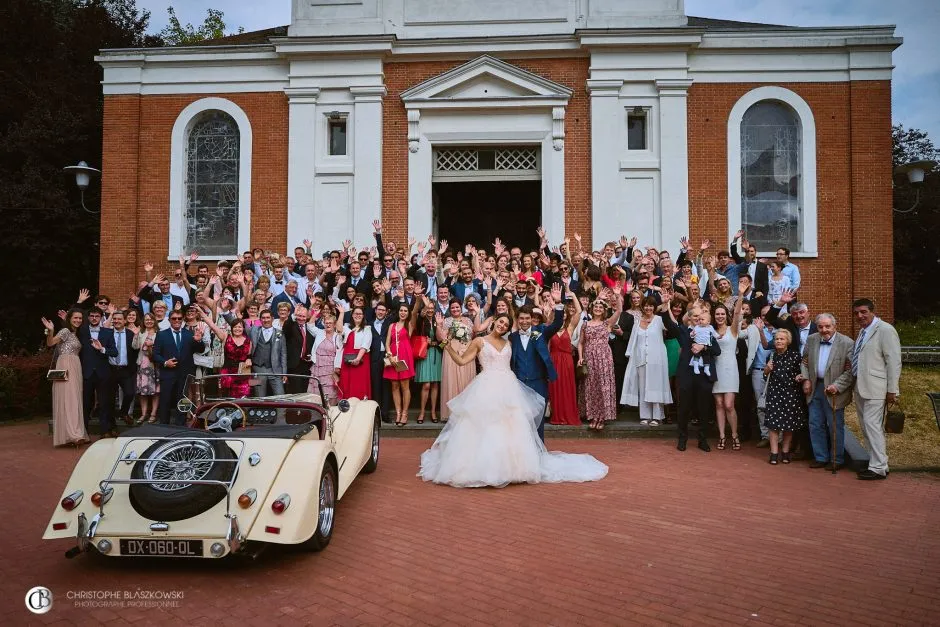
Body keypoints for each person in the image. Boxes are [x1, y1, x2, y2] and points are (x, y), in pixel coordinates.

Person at [419, 314, 608, 488]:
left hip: (509, 386)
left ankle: (515, 468)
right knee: (484, 425)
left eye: (506, 324)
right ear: (494, 322)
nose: (502, 326)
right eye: (500, 322)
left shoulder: (510, 340)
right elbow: (461, 361)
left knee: (512, 425)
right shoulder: (479, 341)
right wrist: (447, 346)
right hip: (486, 385)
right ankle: (485, 467)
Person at [850, 298, 902, 480]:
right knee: (866, 427)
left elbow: (894, 361)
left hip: (877, 388)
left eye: (863, 312)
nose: (860, 316)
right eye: (856, 313)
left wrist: (892, 390)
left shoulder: (885, 330)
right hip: (861, 387)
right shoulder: (863, 331)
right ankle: (877, 462)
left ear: (872, 311)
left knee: (873, 426)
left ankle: (878, 467)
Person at [509, 285, 565, 440]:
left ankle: (539, 452)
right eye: (522, 318)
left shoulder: (540, 331)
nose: (525, 321)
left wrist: (559, 304)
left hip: (539, 382)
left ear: (531, 319)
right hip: (519, 384)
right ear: (518, 320)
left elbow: (556, 324)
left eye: (527, 318)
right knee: (520, 419)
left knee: (538, 419)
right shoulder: (513, 337)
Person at [662, 304, 720, 452]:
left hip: (704, 375)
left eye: (700, 316)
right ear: (690, 317)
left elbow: (717, 350)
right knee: (684, 408)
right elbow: (669, 324)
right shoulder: (683, 331)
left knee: (704, 409)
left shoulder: (708, 331)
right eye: (695, 316)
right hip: (687, 374)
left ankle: (702, 440)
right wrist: (664, 306)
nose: (698, 319)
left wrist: (704, 347)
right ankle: (682, 439)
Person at [800, 313, 855, 470]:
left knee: (835, 426)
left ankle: (836, 460)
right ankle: (820, 457)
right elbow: (804, 362)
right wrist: (806, 379)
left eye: (827, 326)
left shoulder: (847, 343)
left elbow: (851, 370)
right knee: (815, 423)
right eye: (820, 326)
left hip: (834, 391)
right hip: (815, 388)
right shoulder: (812, 340)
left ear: (835, 326)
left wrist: (837, 386)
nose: (824, 330)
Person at [620, 296, 673, 426]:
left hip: (656, 359)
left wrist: (666, 306)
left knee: (655, 387)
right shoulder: (637, 321)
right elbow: (633, 340)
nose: (648, 308)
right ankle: (644, 415)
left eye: (651, 306)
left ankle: (657, 416)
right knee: (643, 387)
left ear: (654, 307)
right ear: (642, 307)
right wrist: (630, 356)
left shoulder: (659, 319)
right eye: (646, 305)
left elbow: (672, 326)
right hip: (640, 358)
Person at [42, 310, 89, 447]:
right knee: (68, 398)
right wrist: (50, 330)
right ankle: (73, 435)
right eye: (75, 318)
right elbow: (50, 343)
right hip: (65, 365)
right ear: (69, 318)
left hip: (75, 366)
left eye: (80, 318)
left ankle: (75, 433)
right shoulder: (65, 331)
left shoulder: (76, 333)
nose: (78, 320)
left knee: (75, 398)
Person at [578, 290, 622, 430]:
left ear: (604, 310)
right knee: (591, 386)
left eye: (600, 307)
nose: (598, 309)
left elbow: (619, 310)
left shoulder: (607, 323)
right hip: (589, 357)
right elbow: (580, 342)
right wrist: (580, 358)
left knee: (603, 385)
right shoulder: (585, 324)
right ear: (592, 309)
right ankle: (593, 415)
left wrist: (616, 295)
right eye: (596, 307)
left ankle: (601, 417)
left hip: (604, 357)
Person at [153, 310, 204, 426]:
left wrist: (199, 340)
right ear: (169, 320)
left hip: (185, 374)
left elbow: (200, 350)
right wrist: (165, 362)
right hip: (167, 373)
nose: (177, 321)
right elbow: (155, 354)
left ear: (182, 320)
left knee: (183, 401)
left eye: (179, 318)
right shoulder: (161, 334)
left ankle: (181, 425)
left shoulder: (189, 334)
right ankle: (164, 425)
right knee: (165, 400)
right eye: (174, 318)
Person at [763, 329, 807, 464]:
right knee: (773, 425)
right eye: (777, 339)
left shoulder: (795, 356)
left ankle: (786, 452)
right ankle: (774, 453)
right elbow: (765, 377)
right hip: (774, 394)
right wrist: (767, 370)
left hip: (791, 394)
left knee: (788, 425)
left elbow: (802, 373)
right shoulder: (771, 356)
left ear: (788, 341)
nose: (779, 341)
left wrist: (800, 377)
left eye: (782, 339)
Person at [711, 291, 746, 450]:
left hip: (730, 369)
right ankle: (722, 436)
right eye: (717, 314)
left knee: (729, 404)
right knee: (718, 404)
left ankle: (734, 435)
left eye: (722, 313)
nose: (719, 316)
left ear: (726, 315)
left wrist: (740, 295)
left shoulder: (733, 330)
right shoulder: (710, 332)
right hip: (715, 369)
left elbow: (737, 312)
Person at [77, 307, 118, 436]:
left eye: (97, 316)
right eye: (92, 316)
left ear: (101, 318)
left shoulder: (108, 332)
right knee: (85, 403)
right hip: (86, 372)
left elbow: (115, 352)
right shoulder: (81, 331)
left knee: (104, 403)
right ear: (88, 317)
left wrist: (102, 349)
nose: (94, 318)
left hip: (103, 373)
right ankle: (83, 431)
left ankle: (105, 430)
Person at [436, 300, 477, 424]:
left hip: (466, 352)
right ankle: (451, 413)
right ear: (450, 309)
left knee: (467, 381)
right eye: (452, 307)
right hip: (451, 353)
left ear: (461, 308)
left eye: (457, 307)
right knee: (451, 381)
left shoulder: (468, 321)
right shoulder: (447, 321)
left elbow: (474, 335)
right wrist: (438, 325)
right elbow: (441, 338)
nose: (455, 309)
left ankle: (466, 412)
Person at [547, 296, 582, 425]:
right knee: (554, 388)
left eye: (564, 314)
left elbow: (579, 312)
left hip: (567, 361)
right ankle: (557, 416)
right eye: (559, 314)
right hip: (554, 360)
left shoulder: (570, 328)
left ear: (567, 315)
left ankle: (567, 414)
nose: (562, 316)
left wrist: (573, 295)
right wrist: (552, 309)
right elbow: (548, 321)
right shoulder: (551, 329)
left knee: (566, 388)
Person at [203, 317, 252, 399]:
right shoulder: (226, 337)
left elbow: (249, 356)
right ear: (232, 328)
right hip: (227, 374)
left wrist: (249, 359)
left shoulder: (248, 341)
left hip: (242, 375)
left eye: (239, 327)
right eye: (235, 327)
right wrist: (201, 312)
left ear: (243, 328)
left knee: (243, 398)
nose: (237, 329)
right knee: (227, 399)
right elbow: (212, 325)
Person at [385, 303, 417, 426]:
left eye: (405, 311)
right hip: (393, 358)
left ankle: (405, 413)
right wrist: (389, 355)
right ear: (398, 312)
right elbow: (387, 342)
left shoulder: (409, 325)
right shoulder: (392, 326)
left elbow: (414, 313)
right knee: (394, 386)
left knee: (405, 386)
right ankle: (398, 412)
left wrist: (418, 299)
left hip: (405, 357)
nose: (403, 312)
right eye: (401, 310)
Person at [107, 310, 138, 427]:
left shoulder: (131, 334)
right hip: (111, 370)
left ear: (124, 321)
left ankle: (124, 412)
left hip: (126, 369)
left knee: (130, 393)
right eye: (114, 319)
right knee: (110, 399)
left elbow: (136, 350)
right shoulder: (107, 333)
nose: (116, 321)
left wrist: (136, 336)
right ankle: (111, 426)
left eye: (119, 319)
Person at [247, 310, 287, 397]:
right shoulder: (254, 330)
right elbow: (236, 324)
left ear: (272, 319)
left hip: (276, 370)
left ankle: (281, 411)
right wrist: (225, 312)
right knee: (258, 396)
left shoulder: (279, 333)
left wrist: (284, 372)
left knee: (281, 397)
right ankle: (260, 411)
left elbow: (283, 353)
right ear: (260, 320)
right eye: (263, 318)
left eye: (268, 317)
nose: (266, 320)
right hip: (257, 369)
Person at [338, 306, 373, 400]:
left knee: (359, 384)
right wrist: (341, 313)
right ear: (352, 315)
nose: (358, 315)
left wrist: (358, 358)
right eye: (355, 313)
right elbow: (338, 330)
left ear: (363, 316)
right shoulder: (346, 326)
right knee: (346, 383)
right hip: (347, 359)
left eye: (360, 314)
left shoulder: (367, 328)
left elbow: (365, 345)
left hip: (361, 359)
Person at [132, 312, 161, 424]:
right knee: (142, 391)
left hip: (154, 365)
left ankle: (153, 414)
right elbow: (134, 347)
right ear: (143, 322)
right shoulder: (141, 333)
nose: (149, 321)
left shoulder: (159, 334)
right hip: (142, 364)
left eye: (151, 319)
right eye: (146, 320)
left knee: (155, 391)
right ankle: (144, 414)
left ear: (154, 321)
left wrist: (151, 346)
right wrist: (135, 335)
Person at [368, 302, 393, 422]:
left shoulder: (390, 324)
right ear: (375, 310)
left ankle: (385, 413)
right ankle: (376, 413)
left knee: (386, 386)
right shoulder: (369, 325)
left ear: (386, 312)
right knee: (375, 386)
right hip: (374, 358)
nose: (381, 312)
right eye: (379, 309)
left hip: (387, 358)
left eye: (383, 310)